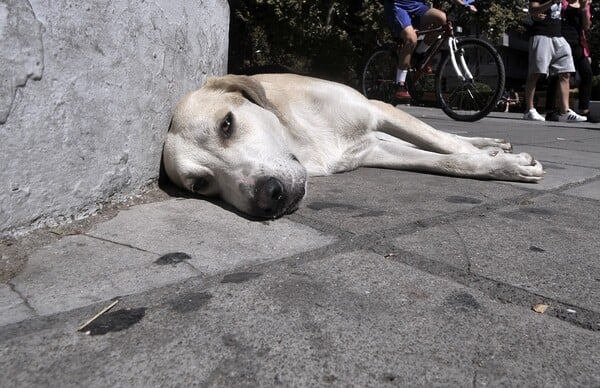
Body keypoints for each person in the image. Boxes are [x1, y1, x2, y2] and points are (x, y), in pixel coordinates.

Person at [384, 0, 477, 101]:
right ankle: (400, 84)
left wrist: (464, 4)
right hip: (398, 6)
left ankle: (418, 56)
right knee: (411, 39)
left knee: (442, 18)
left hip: (416, 5)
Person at [523, 0, 586, 122]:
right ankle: (529, 110)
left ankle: (565, 111)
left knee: (566, 72)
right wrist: (550, 3)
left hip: (558, 36)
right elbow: (533, 9)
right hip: (541, 34)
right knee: (535, 73)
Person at [544, 0, 597, 122]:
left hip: (577, 43)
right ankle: (550, 110)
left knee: (587, 73)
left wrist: (583, 9)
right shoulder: (562, 3)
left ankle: (584, 109)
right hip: (561, 40)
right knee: (557, 76)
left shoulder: (585, 5)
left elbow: (586, 26)